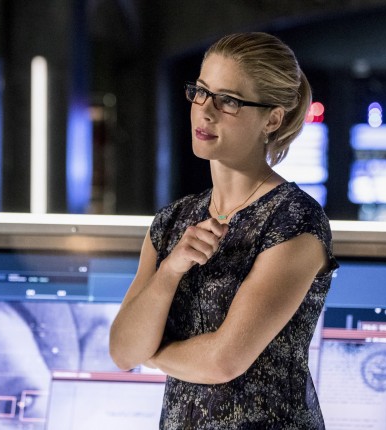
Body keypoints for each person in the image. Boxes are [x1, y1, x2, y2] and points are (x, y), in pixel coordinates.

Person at [109, 32, 338, 429]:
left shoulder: (294, 220)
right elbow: (122, 351)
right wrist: (170, 270)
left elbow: (223, 360)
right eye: (201, 92)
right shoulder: (172, 221)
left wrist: (153, 353)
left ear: (272, 119)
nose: (205, 111)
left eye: (228, 100)